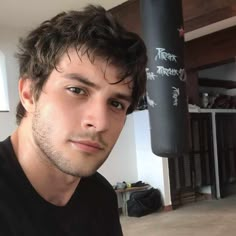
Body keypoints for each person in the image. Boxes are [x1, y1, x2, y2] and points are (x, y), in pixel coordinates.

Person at [0, 4, 147, 236]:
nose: (99, 122)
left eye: (116, 103)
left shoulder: (101, 195)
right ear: (29, 93)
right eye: (77, 90)